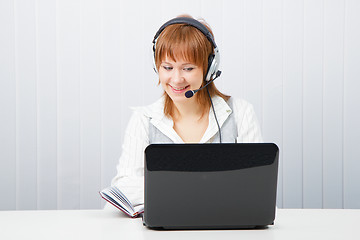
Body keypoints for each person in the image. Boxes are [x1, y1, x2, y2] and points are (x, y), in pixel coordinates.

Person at [107, 15, 263, 210]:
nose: (176, 79)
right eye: (167, 67)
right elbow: (124, 189)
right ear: (157, 67)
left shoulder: (241, 112)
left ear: (209, 68)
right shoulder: (143, 119)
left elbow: (257, 185)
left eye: (188, 68)